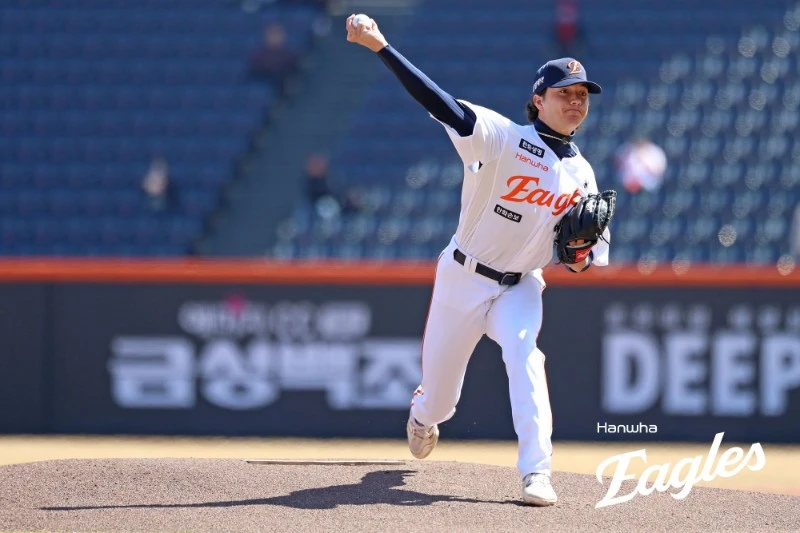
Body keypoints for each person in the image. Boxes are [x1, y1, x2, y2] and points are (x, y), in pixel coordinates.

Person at [345, 15, 611, 506]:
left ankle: (537, 472)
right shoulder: (502, 137)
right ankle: (422, 415)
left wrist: (578, 256)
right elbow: (440, 103)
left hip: (520, 286)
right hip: (463, 276)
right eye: (564, 93)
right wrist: (381, 46)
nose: (576, 101)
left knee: (526, 355)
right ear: (538, 100)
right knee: (440, 401)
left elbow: (585, 260)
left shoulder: (585, 175)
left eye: (582, 95)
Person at [248, 22, 299, 87]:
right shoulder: (258, 56)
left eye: (277, 34)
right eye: (272, 34)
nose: (274, 38)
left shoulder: (290, 57)